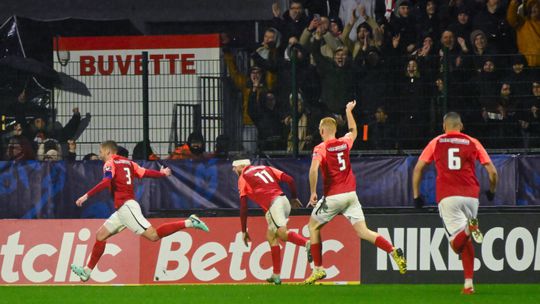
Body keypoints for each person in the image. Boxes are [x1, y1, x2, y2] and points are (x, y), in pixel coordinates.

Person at [70, 140, 209, 282]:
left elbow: (106, 181)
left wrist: (86, 196)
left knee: (153, 235)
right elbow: (144, 172)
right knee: (100, 235)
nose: (100, 155)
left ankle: (190, 222)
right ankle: (87, 271)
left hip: (126, 208)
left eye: (101, 152)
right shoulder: (129, 163)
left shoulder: (110, 163)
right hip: (122, 210)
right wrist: (161, 174)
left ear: (108, 152)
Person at [304, 100, 407, 284]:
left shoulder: (321, 148)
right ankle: (393, 250)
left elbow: (313, 169)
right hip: (351, 195)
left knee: (313, 227)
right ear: (335, 130)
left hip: (334, 196)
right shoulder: (344, 143)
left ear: (322, 131)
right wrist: (348, 111)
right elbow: (354, 130)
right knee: (363, 231)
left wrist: (312, 191)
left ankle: (318, 269)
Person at [412, 112, 498, 295]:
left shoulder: (436, 142)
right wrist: (491, 191)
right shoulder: (472, 142)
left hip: (448, 196)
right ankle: (468, 285)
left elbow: (418, 168)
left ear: (444, 126)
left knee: (455, 245)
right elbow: (493, 172)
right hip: (471, 197)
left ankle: (468, 228)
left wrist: (416, 195)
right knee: (466, 244)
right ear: (461, 125)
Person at [232, 159, 311, 285]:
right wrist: (294, 197)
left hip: (274, 204)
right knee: (271, 236)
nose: (233, 170)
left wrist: (243, 230)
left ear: (242, 166)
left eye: (234, 167)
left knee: (283, 235)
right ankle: (276, 275)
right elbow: (290, 180)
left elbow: (243, 205)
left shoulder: (244, 177)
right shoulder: (265, 168)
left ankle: (307, 243)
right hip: (283, 200)